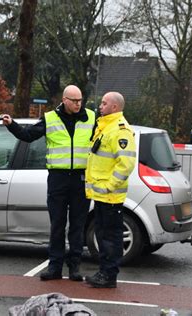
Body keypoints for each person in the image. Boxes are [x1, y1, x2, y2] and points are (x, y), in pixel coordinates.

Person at [1, 85, 95, 282]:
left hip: (80, 178)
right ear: (65, 99)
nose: (78, 104)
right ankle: (55, 267)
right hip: (58, 179)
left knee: (78, 226)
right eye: (74, 101)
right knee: (57, 225)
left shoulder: (91, 118)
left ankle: (75, 267)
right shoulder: (51, 118)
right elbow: (28, 135)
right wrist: (12, 125)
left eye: (80, 100)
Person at [84, 92, 136, 288]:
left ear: (115, 107)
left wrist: (109, 186)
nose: (101, 106)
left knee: (110, 238)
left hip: (110, 195)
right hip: (101, 195)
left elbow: (126, 164)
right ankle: (104, 272)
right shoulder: (105, 126)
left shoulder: (120, 130)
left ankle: (109, 275)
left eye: (105, 103)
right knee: (102, 236)